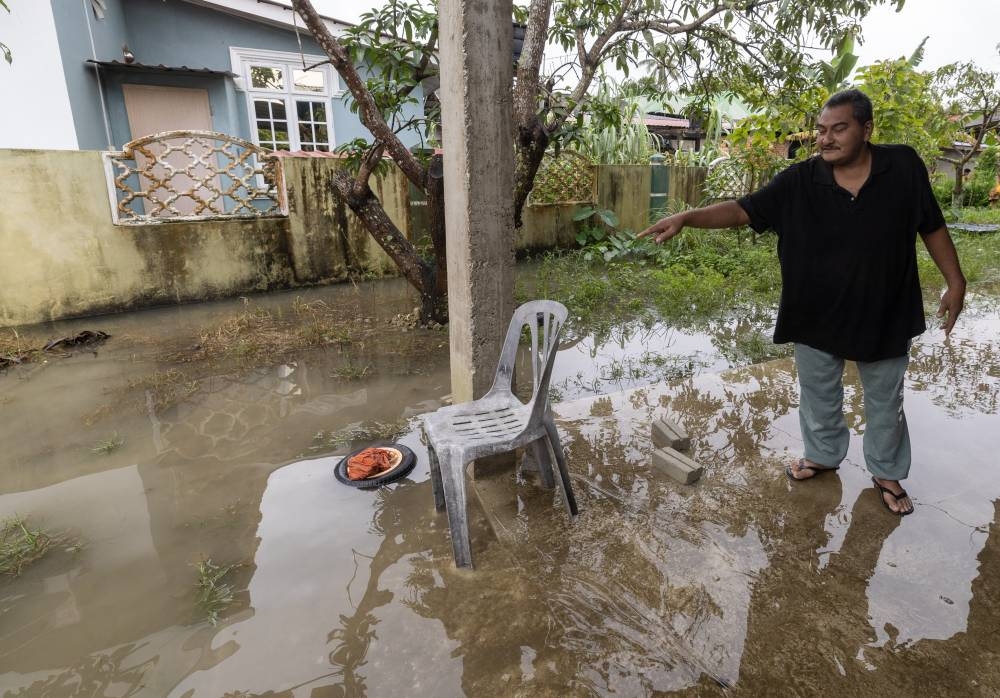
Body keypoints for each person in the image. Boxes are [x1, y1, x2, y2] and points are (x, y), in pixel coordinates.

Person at [638, 89, 966, 516]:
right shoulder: (799, 180)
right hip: (815, 309)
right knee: (818, 394)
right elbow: (743, 210)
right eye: (821, 130)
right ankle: (823, 455)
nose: (825, 139)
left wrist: (954, 282)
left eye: (838, 129)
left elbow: (932, 225)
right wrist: (687, 218)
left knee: (885, 398)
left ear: (867, 130)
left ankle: (886, 471)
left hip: (885, 309)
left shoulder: (902, 166)